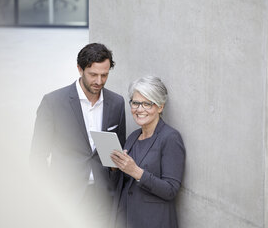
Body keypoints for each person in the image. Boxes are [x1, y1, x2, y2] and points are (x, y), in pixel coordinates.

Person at [30, 43, 126, 227]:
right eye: (93, 75)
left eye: (104, 75)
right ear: (80, 69)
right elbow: (38, 155)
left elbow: (117, 152)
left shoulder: (117, 103)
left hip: (102, 199)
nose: (99, 81)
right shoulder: (53, 102)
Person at [110, 76, 185, 228]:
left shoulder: (170, 138)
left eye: (147, 104)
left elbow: (170, 190)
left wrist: (136, 172)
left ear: (160, 107)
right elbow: (125, 183)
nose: (139, 109)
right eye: (135, 103)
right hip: (126, 218)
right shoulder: (133, 136)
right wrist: (115, 168)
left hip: (154, 221)